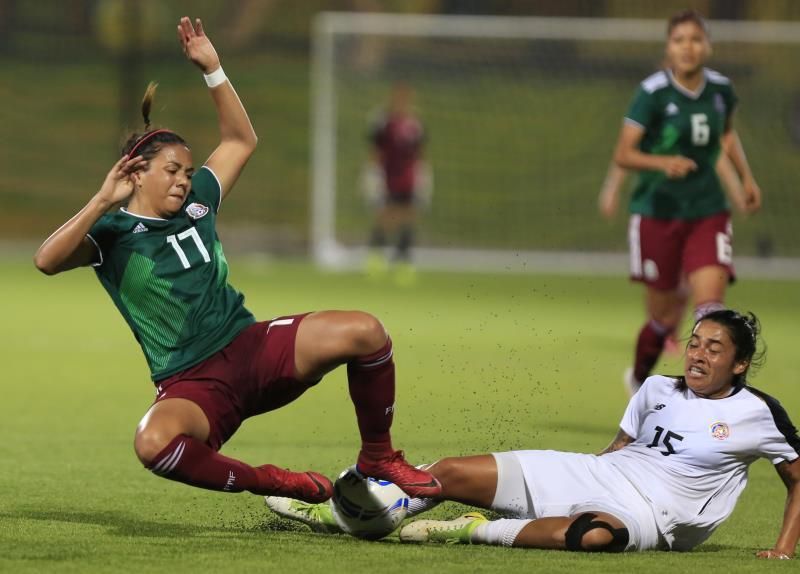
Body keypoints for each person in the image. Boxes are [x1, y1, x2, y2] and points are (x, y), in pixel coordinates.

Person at [33, 16, 441, 504]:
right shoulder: (112, 233)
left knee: (366, 332)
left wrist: (214, 69)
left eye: (187, 170)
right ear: (136, 174)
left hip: (252, 349)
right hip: (193, 384)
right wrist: (101, 201)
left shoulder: (199, 201)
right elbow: (46, 260)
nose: (185, 179)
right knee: (152, 442)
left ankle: (378, 456)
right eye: (172, 171)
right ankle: (271, 481)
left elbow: (240, 141)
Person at [266, 310, 800, 559]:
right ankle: (335, 511)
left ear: (740, 363)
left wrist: (782, 548)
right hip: (600, 473)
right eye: (695, 342)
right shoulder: (658, 387)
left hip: (649, 517)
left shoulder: (758, 412)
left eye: (714, 348)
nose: (698, 354)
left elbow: (797, 479)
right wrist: (566, 477)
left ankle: (468, 531)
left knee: (594, 535)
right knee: (448, 472)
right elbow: (616, 450)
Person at [610, 10, 762, 394]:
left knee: (710, 310)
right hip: (657, 213)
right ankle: (640, 381)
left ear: (707, 45)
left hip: (707, 211)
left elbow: (726, 137)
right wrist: (663, 162)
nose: (688, 47)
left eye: (695, 39)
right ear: (669, 47)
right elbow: (624, 154)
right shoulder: (652, 94)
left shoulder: (720, 90)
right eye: (679, 40)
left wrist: (746, 178)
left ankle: (709, 399)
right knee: (663, 317)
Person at [598, 152, 748, 371]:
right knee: (663, 307)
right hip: (659, 214)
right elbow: (627, 149)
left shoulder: (711, 120)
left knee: (705, 302)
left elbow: (718, 148)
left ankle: (705, 383)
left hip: (703, 213)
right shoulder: (655, 120)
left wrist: (739, 187)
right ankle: (657, 344)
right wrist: (611, 189)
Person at [362, 82, 432, 285]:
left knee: (408, 216)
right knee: (385, 216)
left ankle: (404, 262)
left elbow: (420, 152)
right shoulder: (382, 120)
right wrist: (372, 174)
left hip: (408, 177)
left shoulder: (415, 124)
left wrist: (424, 176)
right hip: (387, 175)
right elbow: (375, 149)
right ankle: (376, 258)